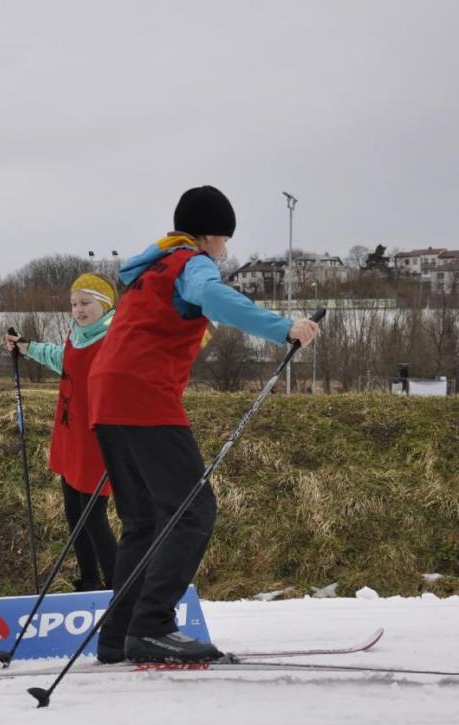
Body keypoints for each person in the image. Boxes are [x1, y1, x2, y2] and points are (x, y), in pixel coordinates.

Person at [87, 185, 319, 663]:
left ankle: (119, 634)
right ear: (211, 234)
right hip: (144, 395)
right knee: (193, 511)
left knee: (143, 520)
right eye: (225, 238)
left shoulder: (151, 266)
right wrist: (284, 328)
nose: (225, 249)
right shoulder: (192, 263)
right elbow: (214, 297)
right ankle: (152, 626)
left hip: (106, 394)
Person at [4, 273, 118, 592]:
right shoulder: (76, 335)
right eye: (74, 304)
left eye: (86, 303)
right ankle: (89, 581)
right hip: (71, 435)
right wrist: (26, 347)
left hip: (97, 441)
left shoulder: (115, 340)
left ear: (106, 305)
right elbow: (62, 359)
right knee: (74, 512)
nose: (78, 310)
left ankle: (119, 584)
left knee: (93, 517)